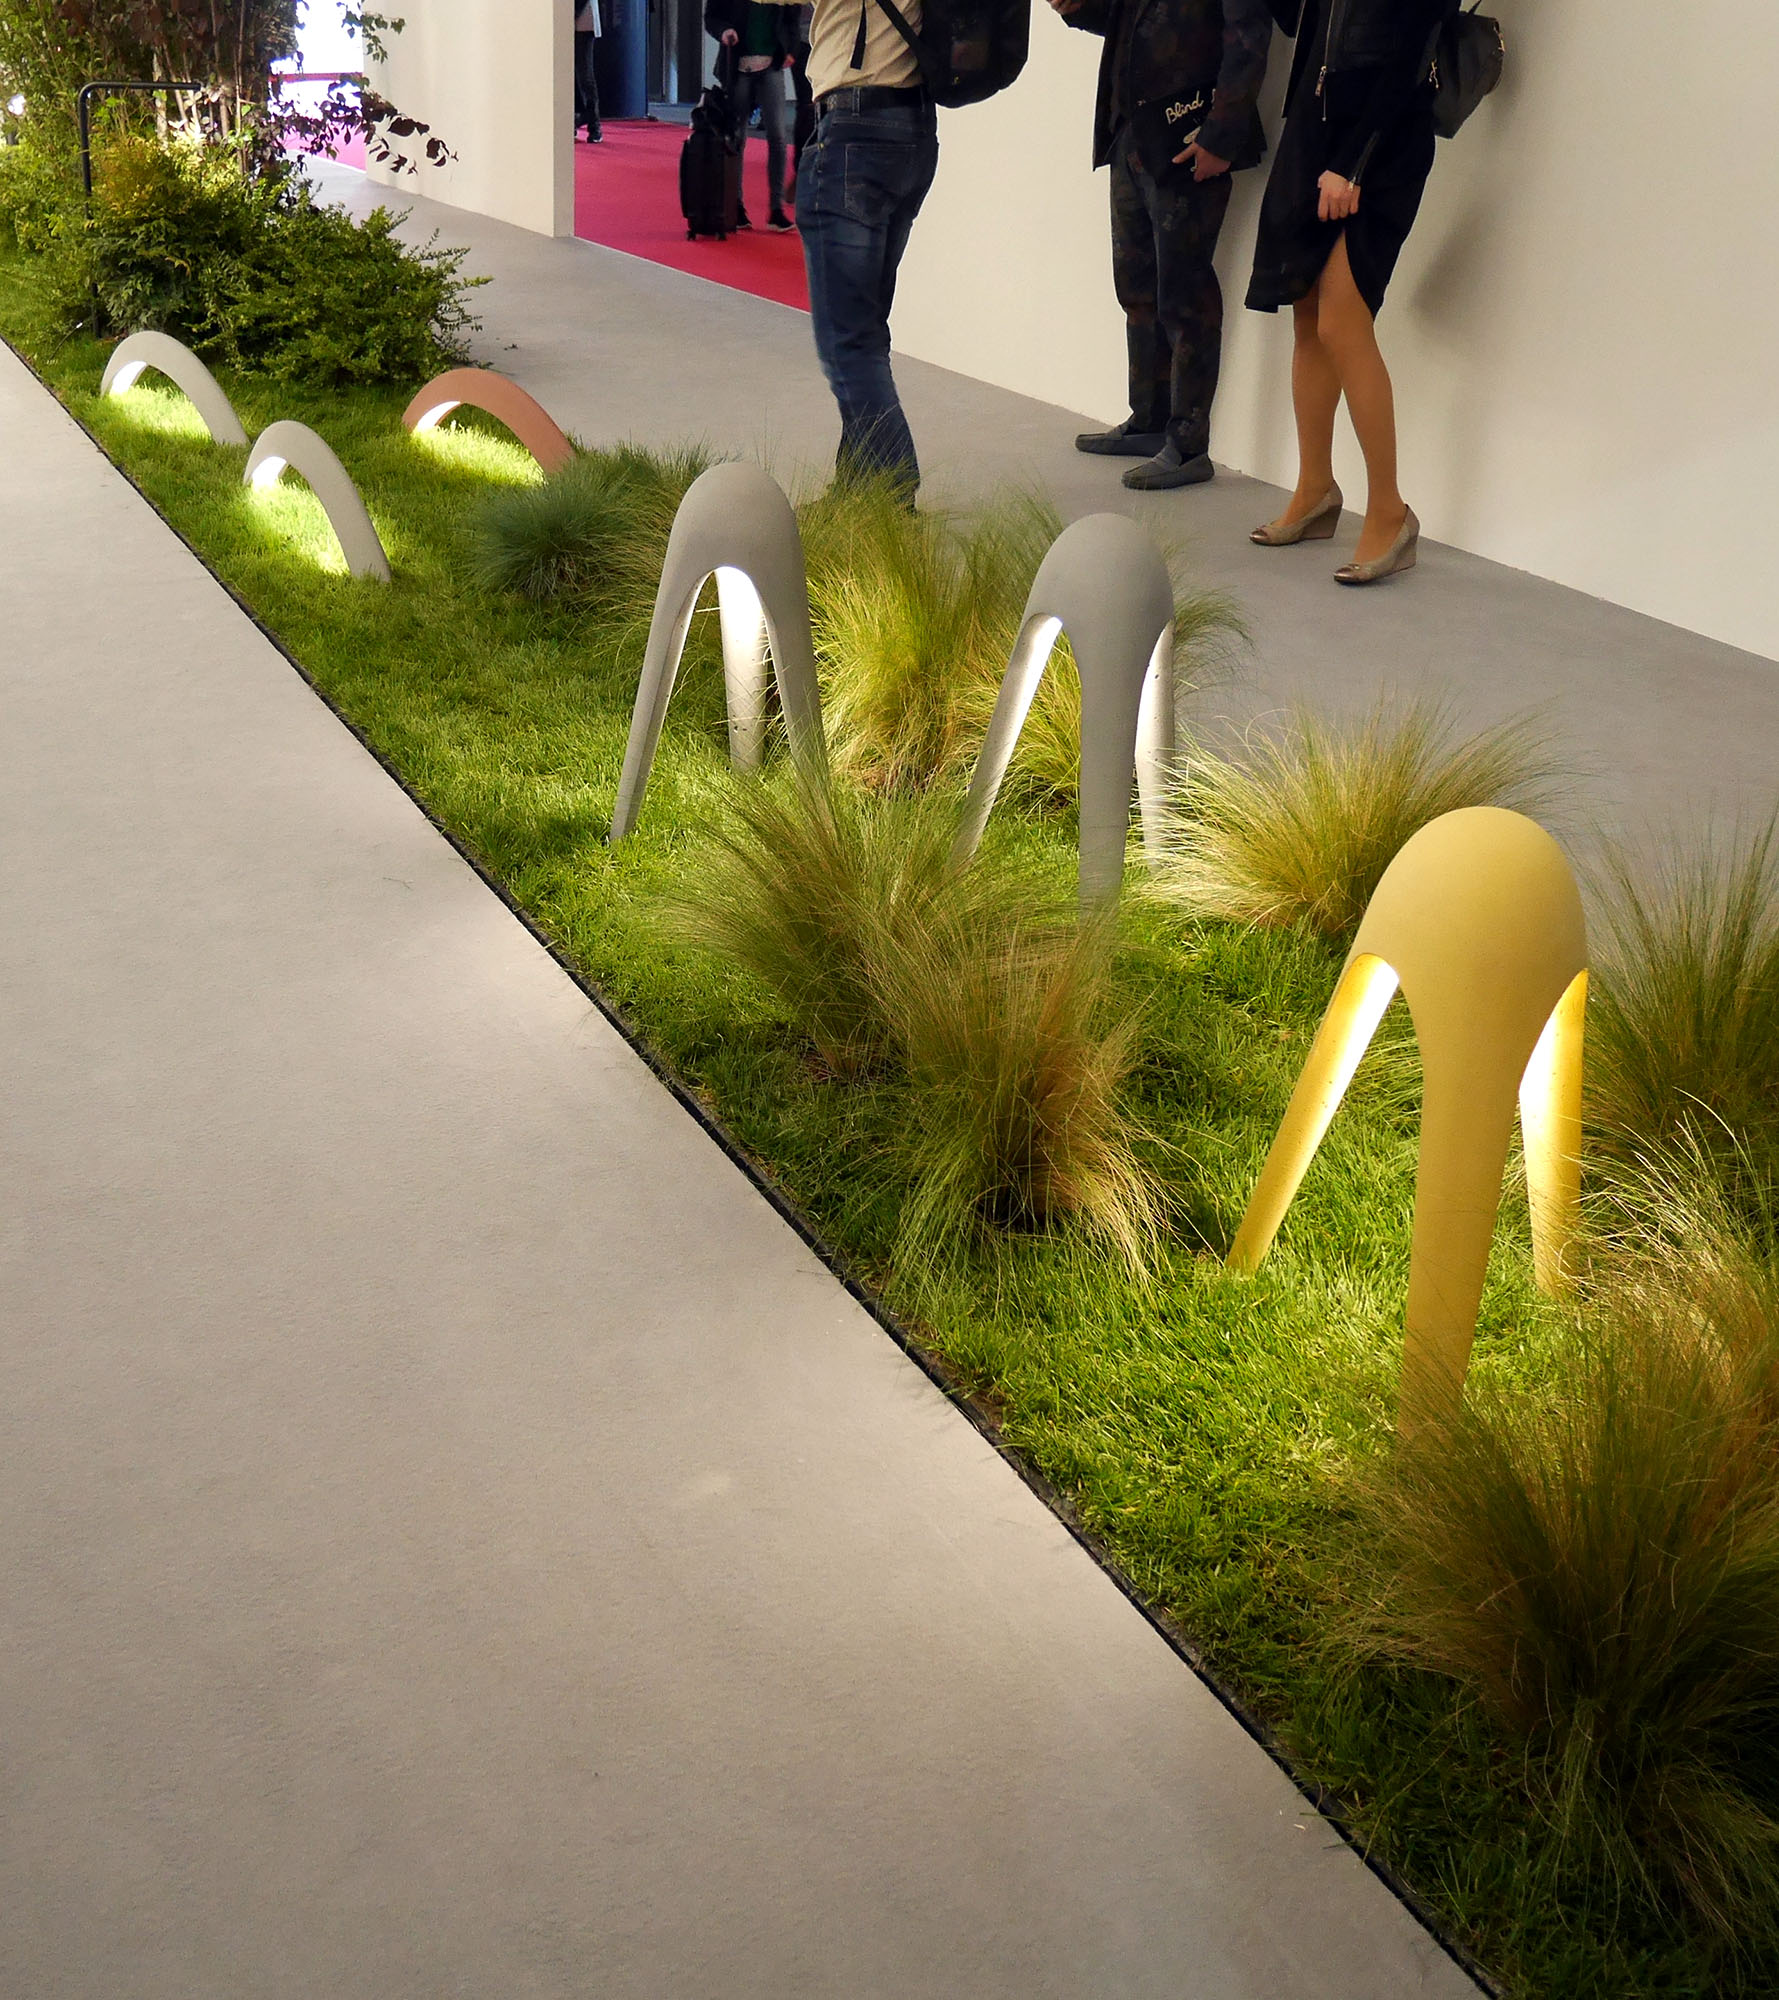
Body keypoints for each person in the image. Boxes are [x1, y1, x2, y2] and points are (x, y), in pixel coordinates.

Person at [1245, 0, 1444, 583]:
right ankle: (1315, 488)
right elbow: (1297, 20)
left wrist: (1354, 162)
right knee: (1308, 314)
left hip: (1380, 145)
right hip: (1316, 129)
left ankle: (1390, 512)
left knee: (1341, 323)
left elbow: (1412, 53)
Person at [1055, 0, 1274, 491]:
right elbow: (1127, 22)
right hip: (1132, 137)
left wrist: (1220, 136)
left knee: (1185, 295)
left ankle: (1189, 446)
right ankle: (1149, 420)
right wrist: (1079, 7)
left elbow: (1250, 35)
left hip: (1186, 140)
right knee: (1136, 288)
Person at [794, 0, 937, 496]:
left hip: (854, 132)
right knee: (866, 332)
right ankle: (856, 497)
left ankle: (894, 498)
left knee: (848, 343)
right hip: (912, 130)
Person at [706, 0, 802, 231]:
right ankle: (736, 206)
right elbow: (711, 18)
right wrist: (724, 31)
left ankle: (776, 210)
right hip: (737, 65)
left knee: (778, 137)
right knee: (736, 138)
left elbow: (792, 18)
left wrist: (791, 49)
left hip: (772, 64)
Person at [573, 0, 602, 143]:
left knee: (585, 77)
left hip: (584, 21)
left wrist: (573, 13)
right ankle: (572, 120)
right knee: (567, 76)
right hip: (565, 20)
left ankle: (594, 126)